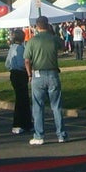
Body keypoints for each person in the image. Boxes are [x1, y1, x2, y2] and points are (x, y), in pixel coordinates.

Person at [25, 15, 67, 145]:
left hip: (37, 74)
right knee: (56, 106)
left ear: (37, 26)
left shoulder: (32, 41)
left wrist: (29, 74)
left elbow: (27, 60)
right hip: (53, 73)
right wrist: (53, 32)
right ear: (48, 25)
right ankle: (61, 135)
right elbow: (64, 47)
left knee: (38, 106)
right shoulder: (53, 39)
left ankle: (39, 136)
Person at [4, 28, 33, 135]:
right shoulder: (21, 49)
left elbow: (7, 64)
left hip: (13, 73)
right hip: (20, 73)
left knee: (21, 99)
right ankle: (20, 124)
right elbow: (22, 63)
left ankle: (25, 123)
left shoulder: (12, 48)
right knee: (22, 99)